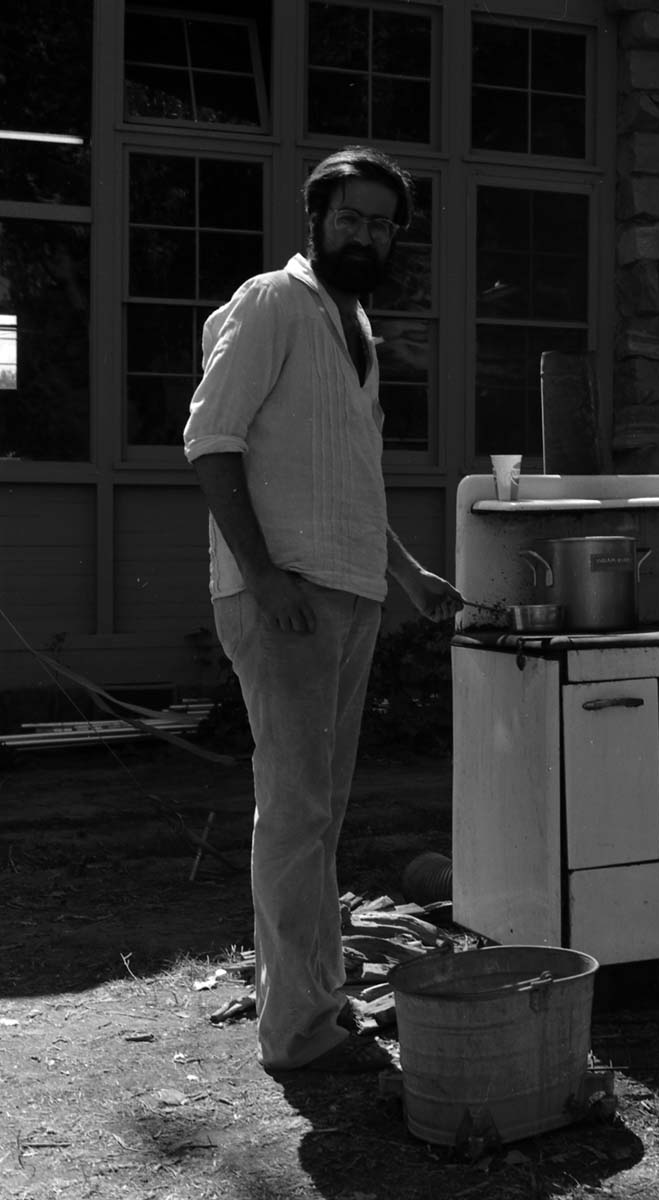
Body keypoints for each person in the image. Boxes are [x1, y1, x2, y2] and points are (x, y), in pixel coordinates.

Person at [183, 145, 462, 1074]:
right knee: (295, 809)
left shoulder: (358, 329)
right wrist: (263, 578)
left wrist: (413, 576)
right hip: (285, 598)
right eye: (352, 217)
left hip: (349, 596)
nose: (367, 234)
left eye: (383, 222)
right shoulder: (273, 302)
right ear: (318, 220)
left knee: (320, 812)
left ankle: (315, 1005)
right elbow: (210, 440)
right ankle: (298, 1033)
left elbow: (350, 487)